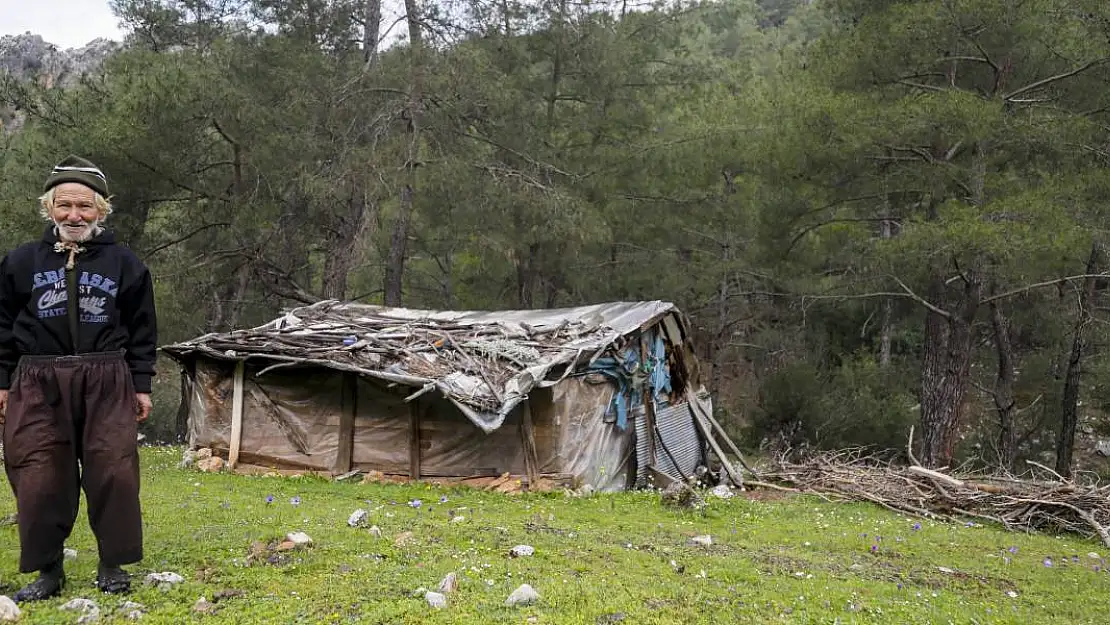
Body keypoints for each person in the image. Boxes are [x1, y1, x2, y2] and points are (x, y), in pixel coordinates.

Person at [0, 155, 157, 602]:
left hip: (107, 376)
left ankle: (112, 563)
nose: (74, 215)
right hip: (36, 379)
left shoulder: (125, 263)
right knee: (38, 473)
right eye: (64, 205)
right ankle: (48, 569)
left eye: (85, 206)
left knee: (114, 469)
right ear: (49, 207)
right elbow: (2, 324)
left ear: (100, 210)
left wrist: (141, 382)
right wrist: (2, 380)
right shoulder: (20, 261)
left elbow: (144, 327)